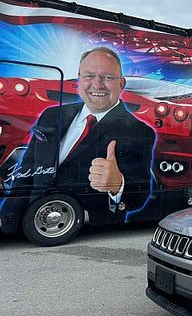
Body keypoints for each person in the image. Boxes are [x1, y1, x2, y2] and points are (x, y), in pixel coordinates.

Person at [1, 47, 155, 229]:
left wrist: (118, 184)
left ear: (121, 83)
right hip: (33, 218)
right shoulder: (51, 115)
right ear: (79, 80)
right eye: (89, 76)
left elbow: (139, 196)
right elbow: (26, 175)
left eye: (107, 77)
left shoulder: (139, 131)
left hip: (92, 227)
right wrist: (7, 220)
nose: (97, 85)